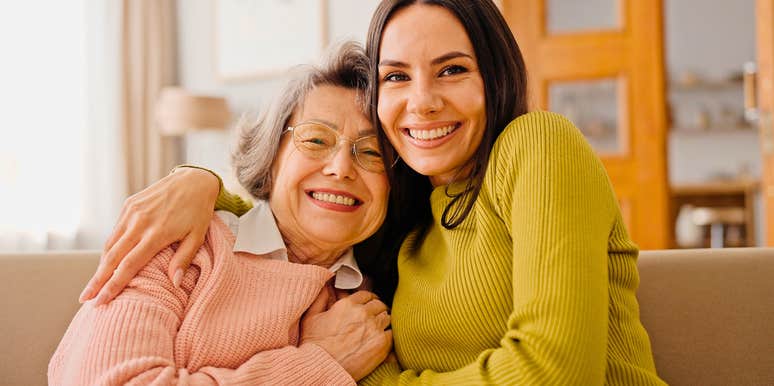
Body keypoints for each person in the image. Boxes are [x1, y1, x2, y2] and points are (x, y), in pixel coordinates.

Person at [79, 0, 667, 384]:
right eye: (397, 77)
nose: (423, 101)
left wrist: (322, 363)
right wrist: (198, 180)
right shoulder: (184, 241)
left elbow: (555, 370)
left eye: (454, 69)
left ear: (496, 75)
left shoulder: (529, 151)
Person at [49, 42, 394, 385]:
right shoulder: (181, 244)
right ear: (271, 157)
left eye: (372, 152)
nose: (342, 167)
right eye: (316, 140)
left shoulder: (375, 300)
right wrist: (320, 365)